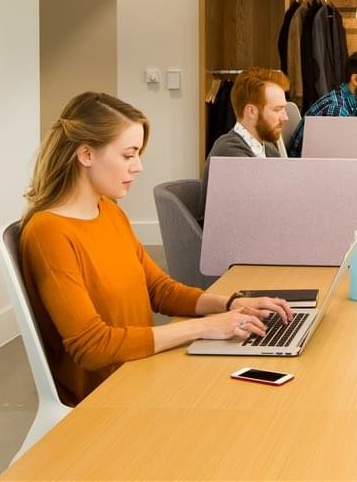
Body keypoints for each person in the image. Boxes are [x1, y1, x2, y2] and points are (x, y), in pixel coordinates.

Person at [19, 92, 293, 406]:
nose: (138, 167)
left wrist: (230, 304)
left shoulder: (109, 212)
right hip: (108, 398)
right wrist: (204, 327)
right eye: (128, 155)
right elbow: (92, 346)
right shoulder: (48, 233)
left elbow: (158, 290)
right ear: (86, 154)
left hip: (142, 369)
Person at [201, 68, 291, 214]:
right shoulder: (229, 153)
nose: (285, 117)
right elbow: (263, 209)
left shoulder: (269, 149)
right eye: (277, 110)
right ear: (251, 112)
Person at [286, 50, 357, 157]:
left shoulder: (350, 103)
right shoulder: (336, 109)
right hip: (305, 169)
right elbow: (339, 159)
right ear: (355, 79)